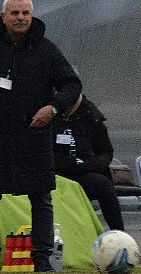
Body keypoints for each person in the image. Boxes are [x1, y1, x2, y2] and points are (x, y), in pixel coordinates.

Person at [0, 0, 82, 273]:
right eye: (15, 13)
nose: (21, 18)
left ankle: (43, 262)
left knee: (41, 199)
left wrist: (53, 108)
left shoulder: (46, 50)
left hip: (33, 137)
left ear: (32, 16)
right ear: (3, 17)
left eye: (25, 13)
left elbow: (72, 84)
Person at [52, 93, 124, 231]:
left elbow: (105, 152)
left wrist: (93, 165)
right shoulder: (47, 113)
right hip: (56, 173)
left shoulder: (91, 115)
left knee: (103, 185)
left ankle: (119, 233)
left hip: (83, 171)